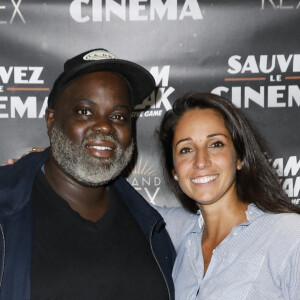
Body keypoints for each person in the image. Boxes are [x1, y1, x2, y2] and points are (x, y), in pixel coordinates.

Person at [0, 48, 176, 300]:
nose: (105, 126)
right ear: (51, 121)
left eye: (118, 116)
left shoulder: (150, 225)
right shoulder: (6, 208)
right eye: (85, 111)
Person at [157, 92, 300, 300]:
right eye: (186, 149)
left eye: (216, 144)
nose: (201, 161)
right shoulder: (179, 235)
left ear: (240, 157)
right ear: (174, 171)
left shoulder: (288, 235)